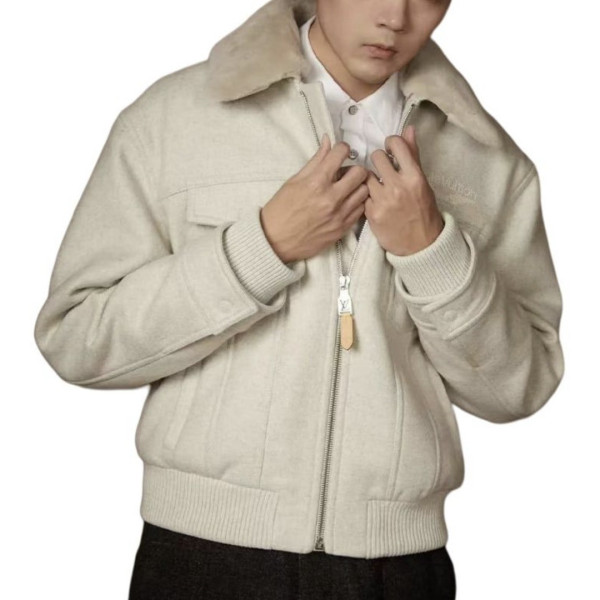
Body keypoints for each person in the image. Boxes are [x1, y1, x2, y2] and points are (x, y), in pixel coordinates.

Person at [33, 0, 565, 598]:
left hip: (399, 571)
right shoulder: (174, 119)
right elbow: (77, 338)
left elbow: (518, 388)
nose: (396, 16)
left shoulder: (490, 161)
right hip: (202, 559)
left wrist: (431, 253)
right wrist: (262, 247)